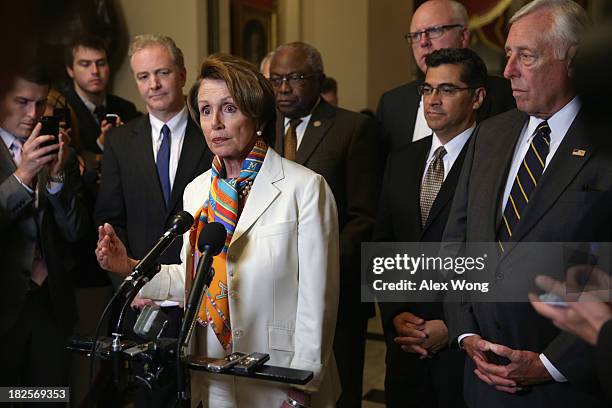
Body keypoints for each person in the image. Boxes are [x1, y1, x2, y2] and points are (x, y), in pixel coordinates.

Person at [96, 53, 340, 407]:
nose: (215, 123)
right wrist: (129, 266)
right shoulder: (197, 192)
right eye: (206, 111)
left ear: (256, 115)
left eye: (228, 108)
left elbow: (319, 298)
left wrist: (301, 385)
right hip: (212, 371)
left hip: (279, 375)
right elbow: (191, 280)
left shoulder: (304, 188)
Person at [441, 0, 611, 406]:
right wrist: (466, 335)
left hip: (567, 387)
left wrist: (551, 364)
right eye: (508, 54)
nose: (509, 70)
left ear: (572, 60)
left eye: (527, 56)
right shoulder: (490, 135)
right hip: (481, 380)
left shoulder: (605, 142)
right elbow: (457, 243)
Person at [94, 34, 213, 406]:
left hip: (202, 299)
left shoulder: (212, 134)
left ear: (181, 74)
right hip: (140, 306)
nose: (154, 85)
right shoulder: (119, 141)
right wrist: (133, 287)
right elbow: (111, 222)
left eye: (162, 73)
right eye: (143, 76)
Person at [269, 41, 382, 407]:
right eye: (276, 79)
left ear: (319, 79)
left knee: (340, 390)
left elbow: (364, 216)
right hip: (276, 291)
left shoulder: (353, 128)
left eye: (296, 78)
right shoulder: (259, 129)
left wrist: (318, 265)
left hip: (337, 291)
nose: (284, 88)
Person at [374, 47, 487, 407]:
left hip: (466, 352)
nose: (433, 100)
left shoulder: (494, 160)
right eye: (427, 89)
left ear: (477, 98)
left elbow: (498, 254)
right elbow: (384, 245)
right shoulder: (402, 159)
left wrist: (452, 326)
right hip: (405, 349)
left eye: (447, 90)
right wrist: (395, 315)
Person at [0, 63, 90, 388]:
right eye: (22, 102)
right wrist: (22, 176)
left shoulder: (57, 147)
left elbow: (76, 231)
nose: (33, 113)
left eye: (40, 103)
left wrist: (56, 180)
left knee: (48, 396)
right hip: (5, 303)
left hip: (52, 302)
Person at [376, 0, 515, 157]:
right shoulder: (392, 104)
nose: (423, 42)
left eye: (434, 31)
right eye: (415, 35)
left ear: (463, 36)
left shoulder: (507, 96)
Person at [61, 35, 140, 156]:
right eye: (85, 64)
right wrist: (101, 144)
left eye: (101, 63)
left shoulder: (126, 109)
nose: (95, 71)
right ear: (70, 70)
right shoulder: (62, 110)